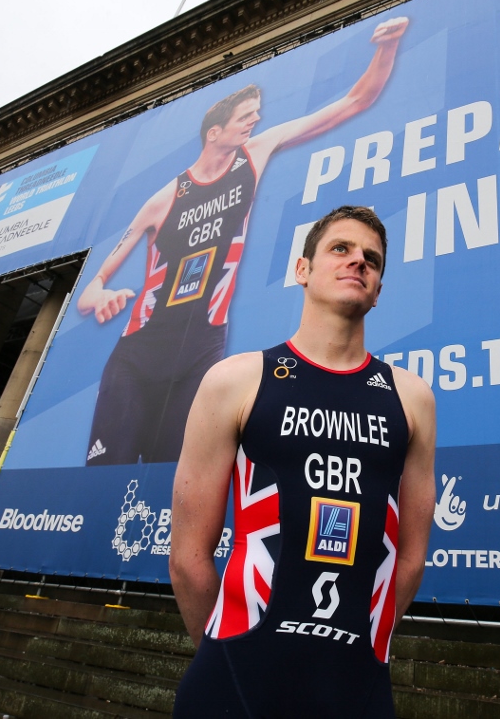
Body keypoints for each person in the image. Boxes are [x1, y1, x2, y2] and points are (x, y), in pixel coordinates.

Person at [76, 17, 409, 467]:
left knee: (172, 482)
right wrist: (99, 294)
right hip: (137, 356)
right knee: (103, 481)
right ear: (214, 132)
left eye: (256, 114)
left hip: (203, 353)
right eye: (244, 116)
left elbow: (354, 100)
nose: (255, 120)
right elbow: (94, 284)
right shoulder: (163, 199)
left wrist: (386, 50)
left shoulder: (254, 155)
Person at [169, 205, 436, 718]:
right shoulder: (236, 380)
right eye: (341, 248)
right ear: (303, 270)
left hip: (356, 687)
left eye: (372, 260)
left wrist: (360, 641)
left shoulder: (412, 397)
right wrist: (228, 649)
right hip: (235, 679)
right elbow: (188, 558)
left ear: (379, 290)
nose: (358, 262)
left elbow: (409, 560)